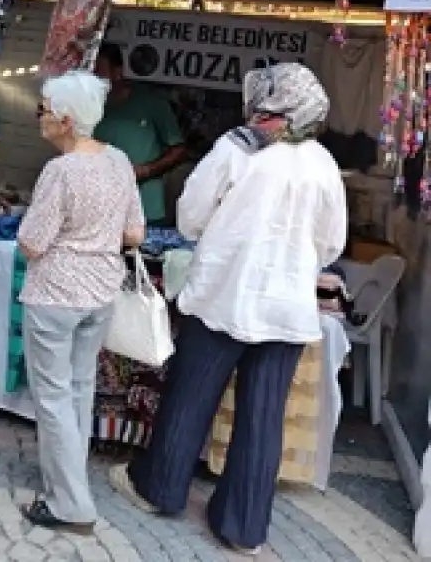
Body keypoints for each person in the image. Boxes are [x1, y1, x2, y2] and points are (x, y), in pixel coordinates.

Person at [110, 62, 348, 556]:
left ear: (280, 113)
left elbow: (191, 217)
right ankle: (242, 527)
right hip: (286, 309)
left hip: (224, 296)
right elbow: (332, 243)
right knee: (263, 416)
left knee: (191, 395)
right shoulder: (322, 162)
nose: (257, 114)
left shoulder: (236, 150)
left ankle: (161, 488)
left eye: (266, 108)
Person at [18, 71, 145, 535]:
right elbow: (135, 233)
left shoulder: (62, 170)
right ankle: (66, 482)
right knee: (78, 390)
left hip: (56, 293)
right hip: (100, 291)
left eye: (44, 110)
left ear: (65, 120)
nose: (40, 119)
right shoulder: (119, 160)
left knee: (53, 397)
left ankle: (71, 503)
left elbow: (32, 243)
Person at [94, 43, 185, 225]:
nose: (94, 78)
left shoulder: (153, 104)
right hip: (98, 206)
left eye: (99, 72)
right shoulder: (88, 107)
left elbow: (179, 150)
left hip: (145, 207)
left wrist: (146, 170)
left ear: (118, 72)